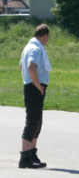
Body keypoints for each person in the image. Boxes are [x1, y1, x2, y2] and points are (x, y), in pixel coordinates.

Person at [18, 24, 51, 168]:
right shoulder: (36, 49)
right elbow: (30, 68)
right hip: (34, 88)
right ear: (45, 36)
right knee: (32, 121)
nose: (47, 40)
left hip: (31, 87)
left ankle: (32, 153)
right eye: (47, 38)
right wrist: (38, 86)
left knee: (37, 121)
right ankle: (24, 158)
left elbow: (21, 66)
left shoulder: (28, 47)